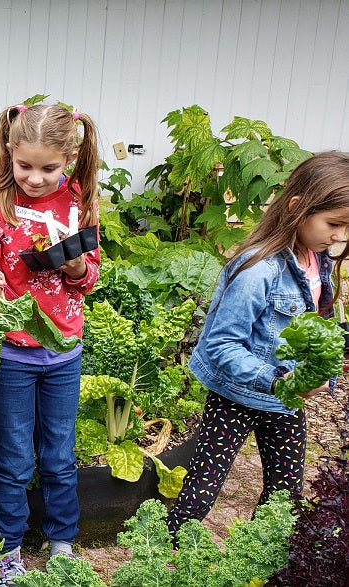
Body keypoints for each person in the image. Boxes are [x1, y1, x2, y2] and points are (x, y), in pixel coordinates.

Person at [165, 151, 349, 538]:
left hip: (285, 398)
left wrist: (321, 376)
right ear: (298, 208)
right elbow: (221, 346)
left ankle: (265, 562)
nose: (340, 237)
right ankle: (168, 556)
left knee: (284, 493)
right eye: (334, 224)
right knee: (203, 484)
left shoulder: (319, 261)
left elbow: (320, 333)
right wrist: (279, 378)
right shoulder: (258, 270)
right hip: (238, 393)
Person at [0, 103, 101, 585]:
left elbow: (90, 278)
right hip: (11, 355)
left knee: (60, 453)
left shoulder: (79, 204)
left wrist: (77, 269)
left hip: (64, 349)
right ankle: (7, 552)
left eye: (49, 168)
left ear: (69, 158)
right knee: (14, 456)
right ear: (8, 151)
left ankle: (63, 540)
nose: (36, 178)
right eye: (25, 166)